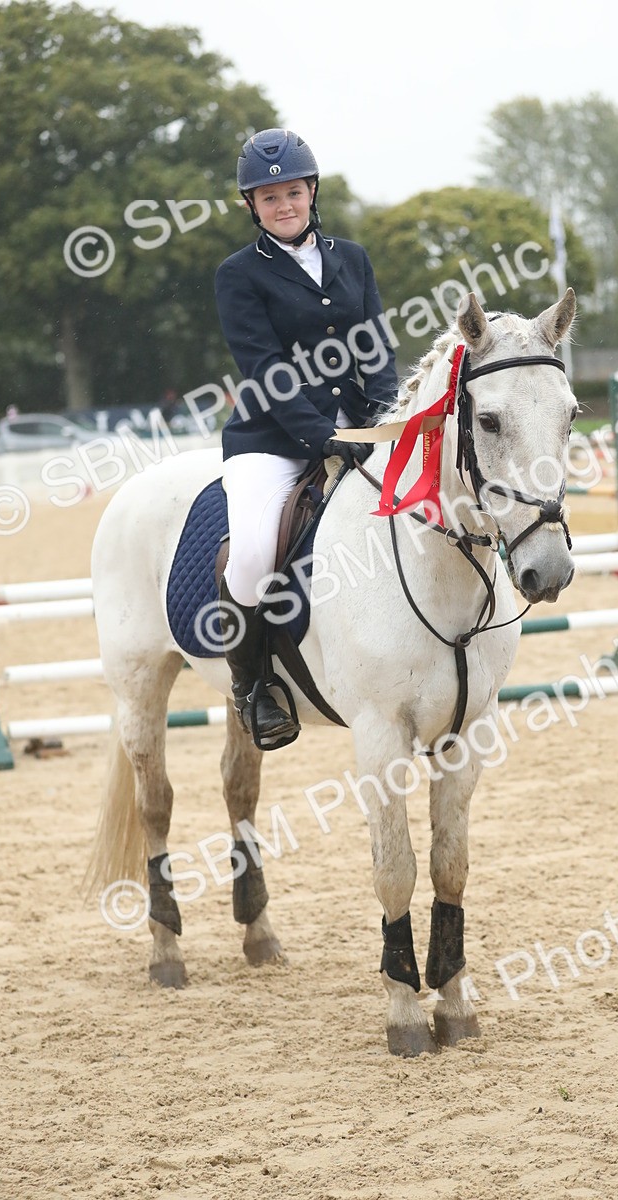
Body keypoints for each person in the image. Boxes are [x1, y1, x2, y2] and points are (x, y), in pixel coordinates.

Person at [215, 128, 398, 743]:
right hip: (270, 440)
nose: (283, 205)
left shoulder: (354, 258)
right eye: (269, 197)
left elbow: (375, 348)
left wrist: (385, 414)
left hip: (356, 428)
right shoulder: (238, 274)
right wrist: (321, 434)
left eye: (292, 192)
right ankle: (253, 687)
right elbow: (265, 368)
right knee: (251, 557)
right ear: (252, 205)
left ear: (312, 192)